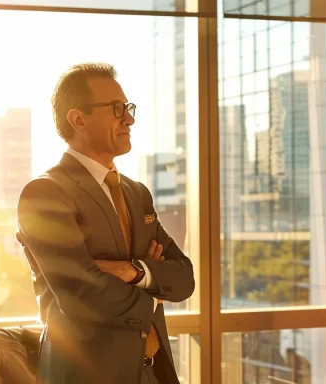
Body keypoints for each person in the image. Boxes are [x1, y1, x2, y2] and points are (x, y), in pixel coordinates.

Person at [16, 62, 195, 384]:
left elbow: (184, 277)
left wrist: (135, 272)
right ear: (78, 119)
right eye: (116, 109)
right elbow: (82, 297)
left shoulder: (136, 193)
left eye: (127, 107)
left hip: (154, 371)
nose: (130, 118)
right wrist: (153, 294)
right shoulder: (44, 193)